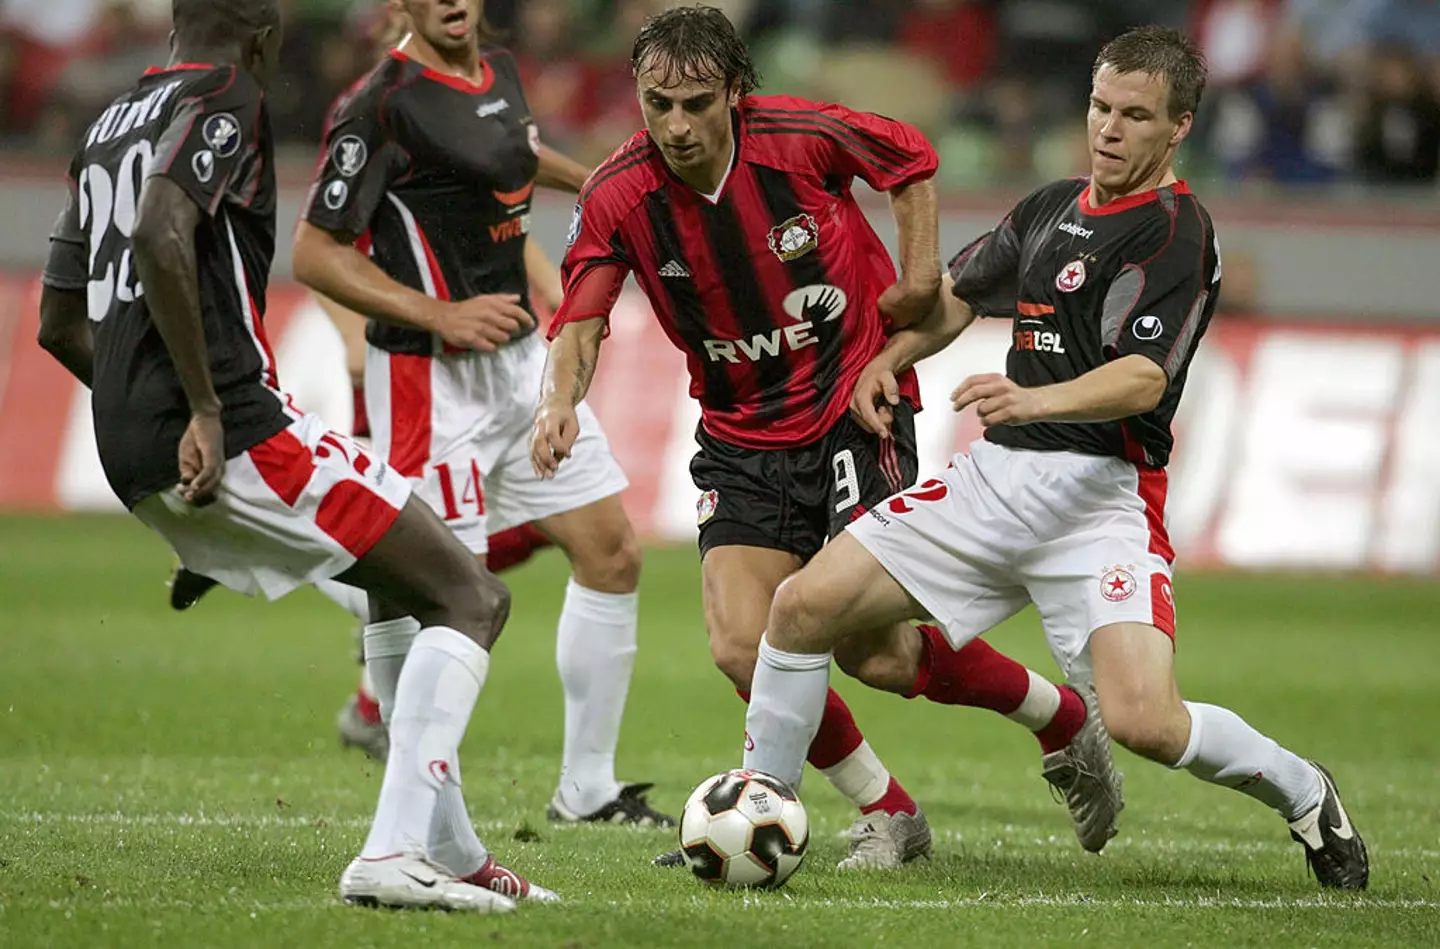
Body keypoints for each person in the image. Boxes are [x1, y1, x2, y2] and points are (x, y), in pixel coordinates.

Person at [738, 25, 1369, 890]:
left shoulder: (1178, 231)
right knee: (802, 608)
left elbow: (1145, 378)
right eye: (1101, 107)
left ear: (1179, 126)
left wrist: (1031, 398)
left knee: (1149, 722)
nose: (1109, 129)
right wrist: (888, 361)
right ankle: (760, 804)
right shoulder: (1051, 208)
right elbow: (958, 298)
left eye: (1135, 115)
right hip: (995, 479)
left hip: (1099, 500)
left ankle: (1305, 789)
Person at [531, 4, 1121, 869]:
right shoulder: (618, 194)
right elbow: (580, 322)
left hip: (856, 403)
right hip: (740, 433)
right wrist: (559, 404)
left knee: (874, 651)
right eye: (659, 103)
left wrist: (920, 276)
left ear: (736, 92)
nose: (678, 125)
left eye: (697, 103)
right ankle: (886, 807)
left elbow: (910, 157)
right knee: (740, 642)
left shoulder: (798, 136)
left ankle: (1063, 719)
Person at [36, 0, 545, 912]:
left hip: (133, 439)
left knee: (399, 577)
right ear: (264, 38)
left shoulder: (107, 121)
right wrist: (200, 408)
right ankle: (392, 854)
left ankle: (448, 845)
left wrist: (149, 417)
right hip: (237, 419)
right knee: (473, 595)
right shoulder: (229, 96)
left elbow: (57, 322)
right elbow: (160, 230)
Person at [291, 0, 672, 828]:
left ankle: (589, 787)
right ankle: (421, 806)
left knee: (611, 552)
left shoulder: (497, 71)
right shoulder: (377, 106)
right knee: (443, 594)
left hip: (519, 364)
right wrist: (438, 315)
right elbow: (313, 251)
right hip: (429, 379)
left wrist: (614, 182)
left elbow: (516, 159)